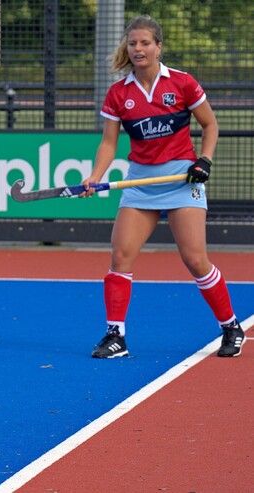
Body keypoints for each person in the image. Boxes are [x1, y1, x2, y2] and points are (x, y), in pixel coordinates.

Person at [81, 15, 245, 359]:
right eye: (132, 43)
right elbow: (109, 144)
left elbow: (210, 124)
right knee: (120, 255)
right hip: (141, 181)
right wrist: (95, 175)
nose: (138, 49)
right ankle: (116, 336)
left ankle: (230, 325)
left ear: (158, 47)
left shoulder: (182, 83)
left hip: (182, 178)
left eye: (144, 43)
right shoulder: (118, 92)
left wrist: (205, 160)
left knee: (195, 259)